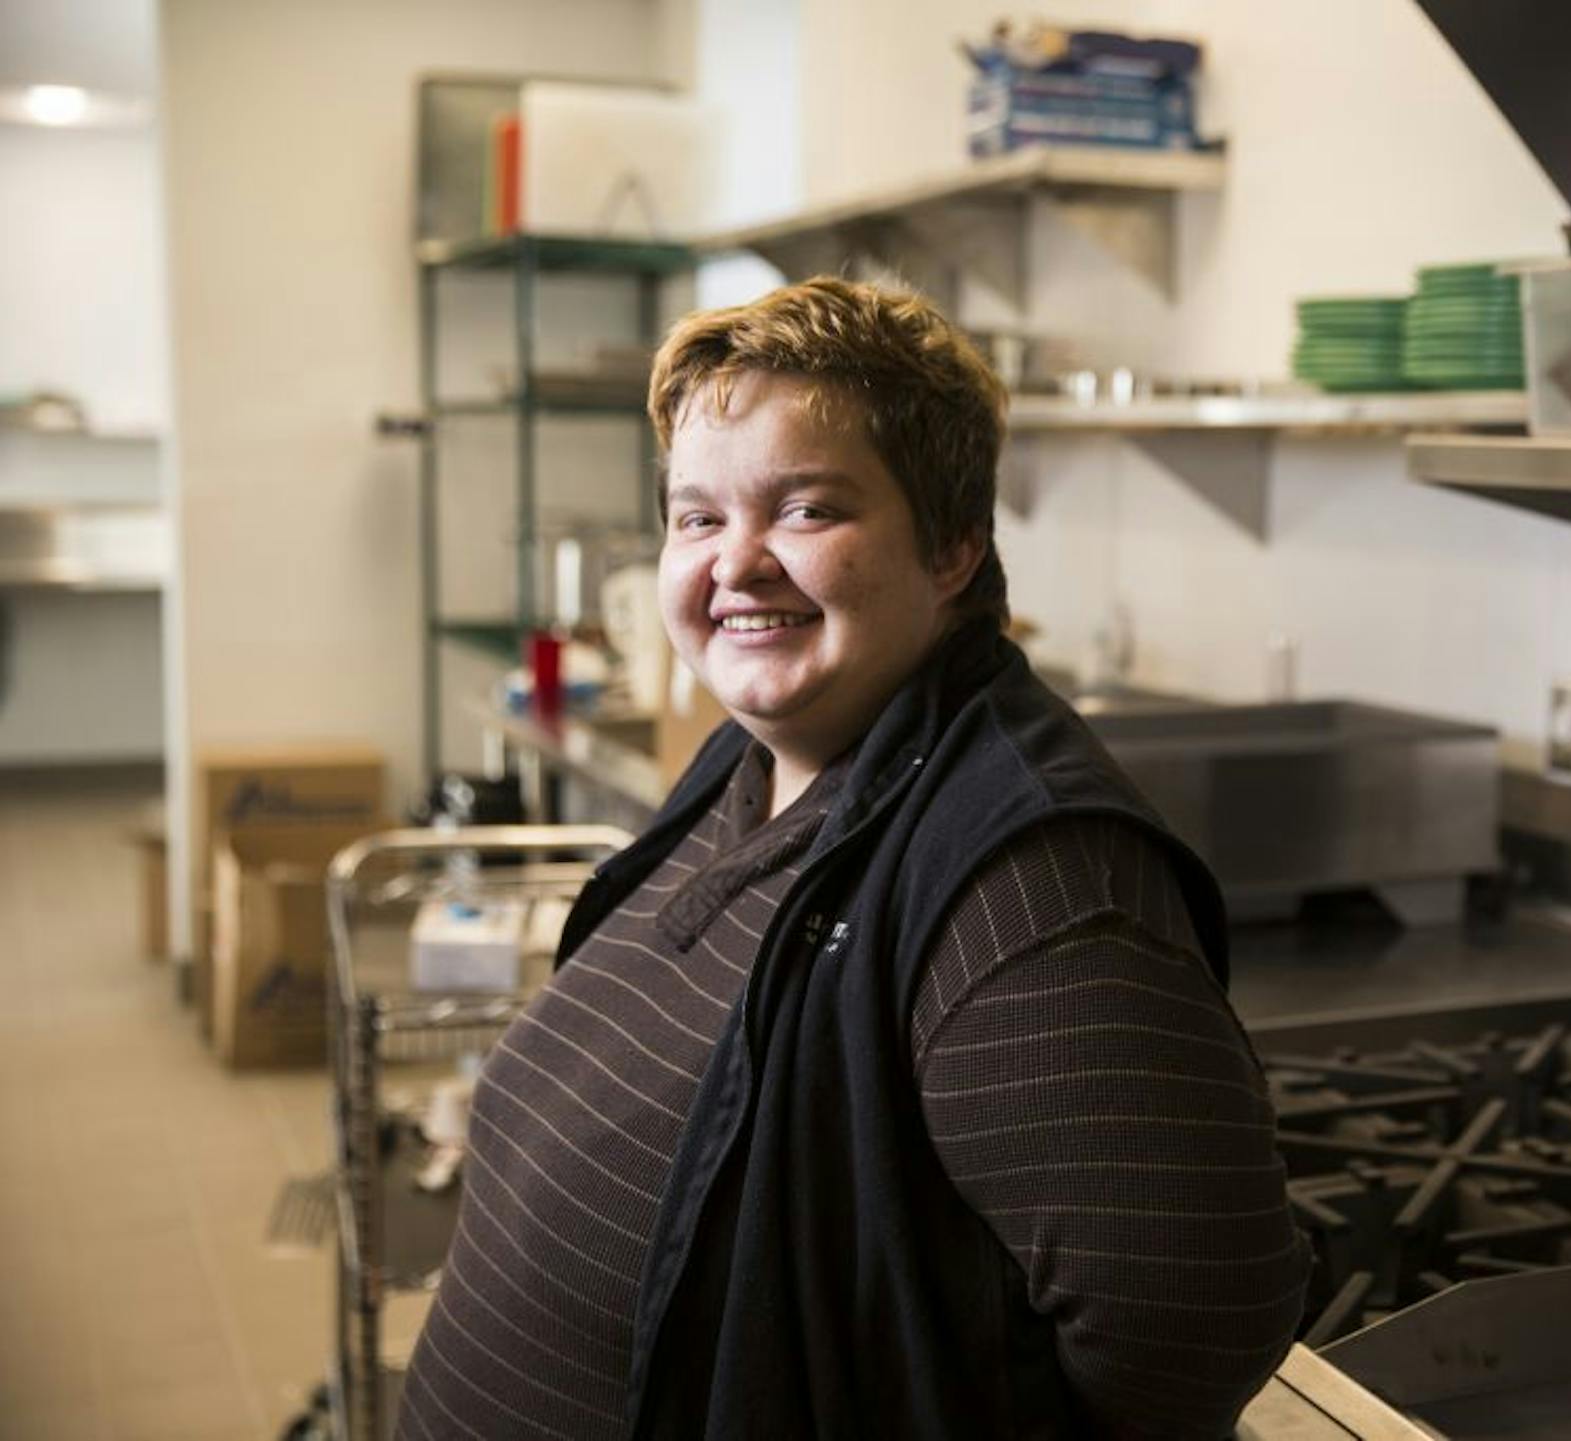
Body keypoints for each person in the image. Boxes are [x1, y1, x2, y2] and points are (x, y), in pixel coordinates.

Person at [397, 278, 1309, 1441]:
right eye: (698, 517)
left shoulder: (1036, 890)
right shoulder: (752, 761)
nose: (736, 565)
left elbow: (1191, 1328)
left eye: (807, 510)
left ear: (951, 547)